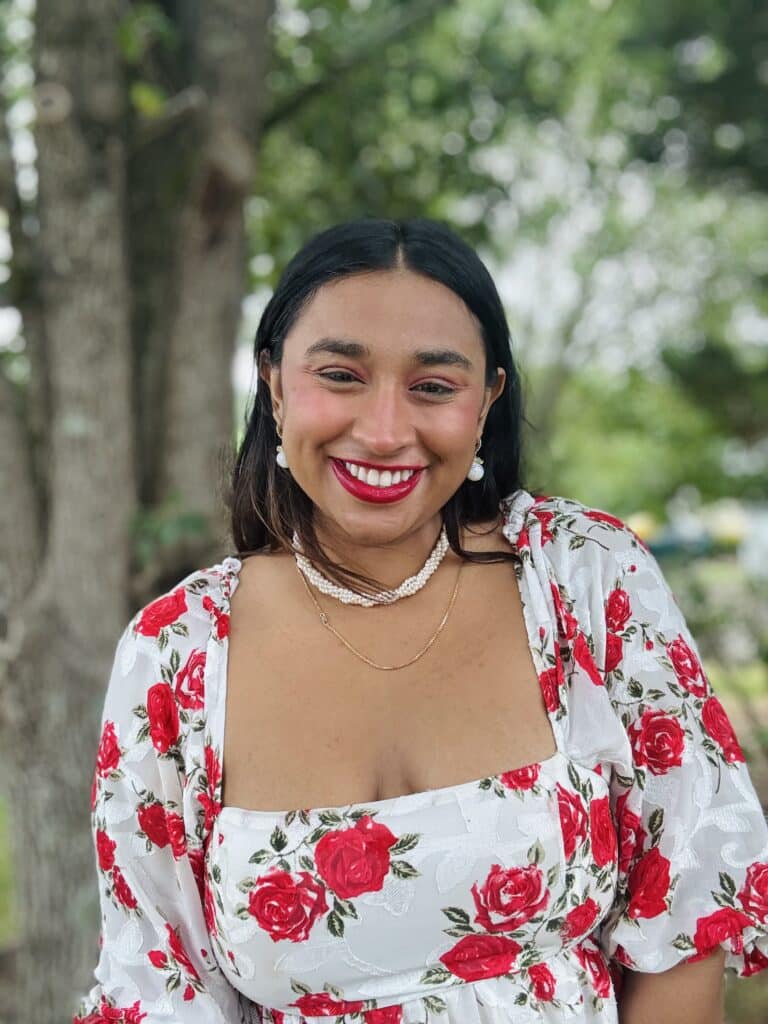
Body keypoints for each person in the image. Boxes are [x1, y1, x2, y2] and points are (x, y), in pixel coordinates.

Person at [75, 218, 768, 1024]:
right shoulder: (176, 653)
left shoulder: (583, 577)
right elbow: (159, 989)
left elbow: (682, 915)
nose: (383, 432)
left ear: (487, 401)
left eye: (433, 386)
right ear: (273, 384)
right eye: (340, 375)